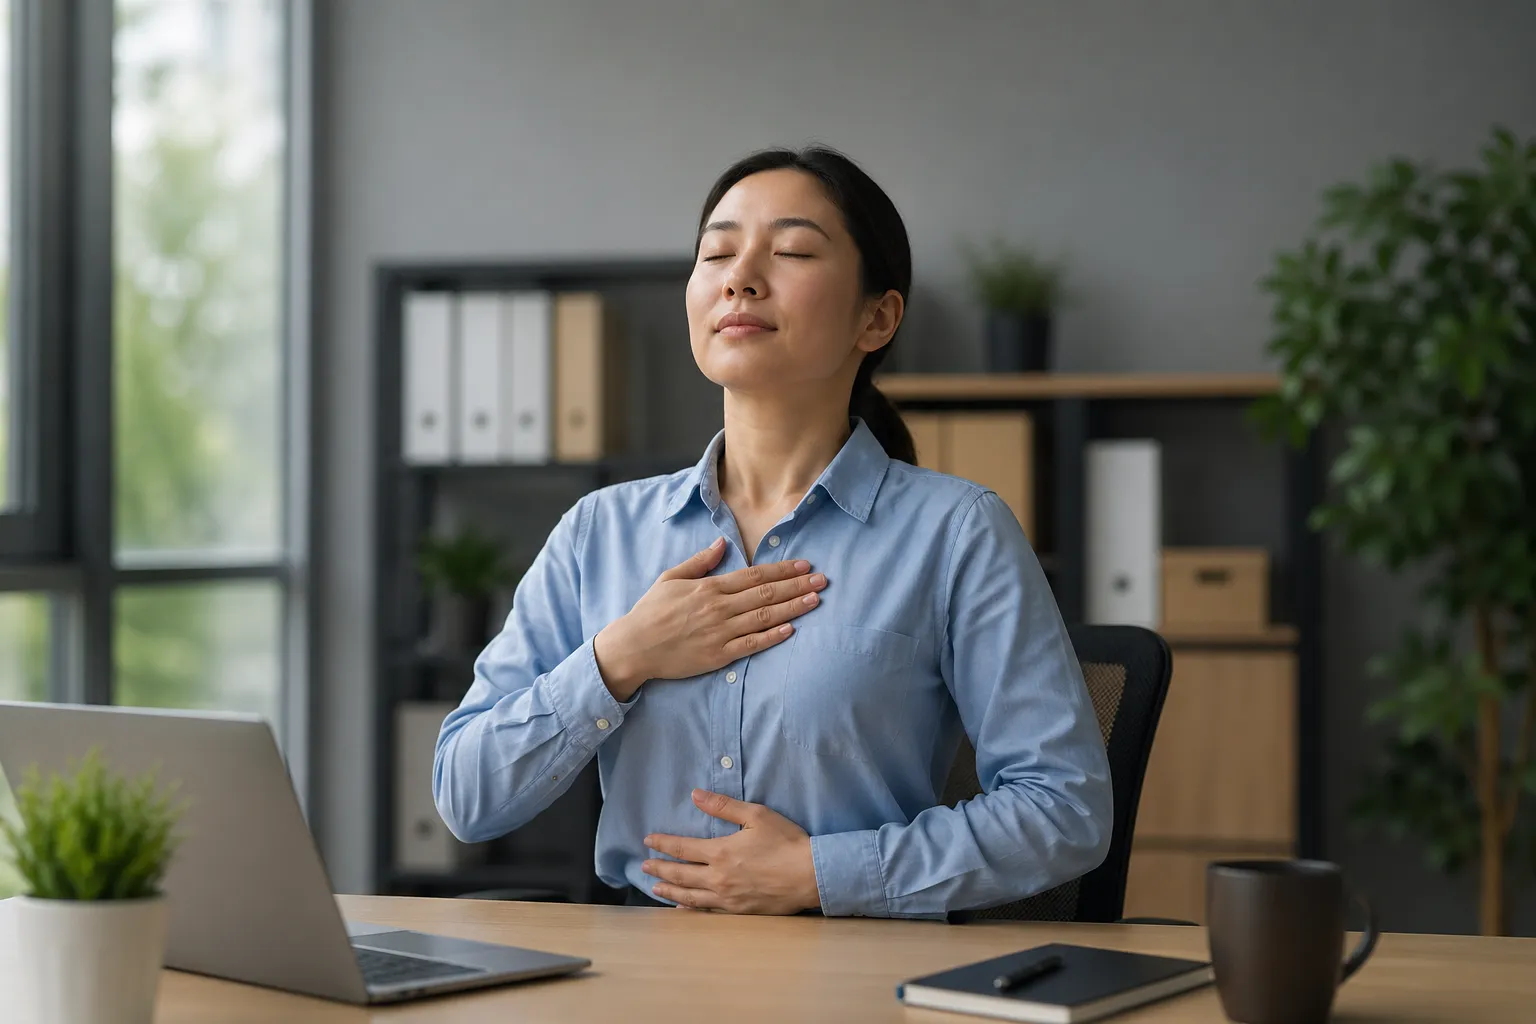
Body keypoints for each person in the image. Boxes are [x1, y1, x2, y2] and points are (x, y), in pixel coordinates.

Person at [434, 146, 1111, 919]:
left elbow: (1066, 811)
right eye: (717, 252)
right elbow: (465, 795)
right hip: (642, 975)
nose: (740, 275)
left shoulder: (956, 532)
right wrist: (621, 657)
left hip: (854, 973)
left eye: (790, 251)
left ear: (877, 317)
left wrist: (823, 874)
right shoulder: (599, 532)